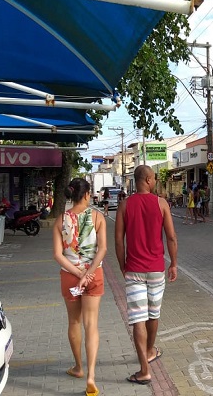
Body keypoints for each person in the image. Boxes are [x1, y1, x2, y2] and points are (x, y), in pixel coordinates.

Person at [115, 165, 178, 386]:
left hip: (134, 270)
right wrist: (174, 264)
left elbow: (118, 240)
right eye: (154, 179)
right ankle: (150, 350)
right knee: (153, 314)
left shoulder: (124, 205)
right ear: (149, 179)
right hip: (156, 269)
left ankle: (144, 369)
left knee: (137, 319)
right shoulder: (161, 204)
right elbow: (171, 237)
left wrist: (123, 265)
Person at [52, 178, 107, 396]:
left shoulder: (60, 220)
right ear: (87, 195)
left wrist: (77, 274)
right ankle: (92, 376)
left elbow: (57, 254)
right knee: (91, 324)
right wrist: (89, 273)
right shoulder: (97, 217)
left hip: (70, 276)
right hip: (94, 276)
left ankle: (78, 367)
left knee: (74, 321)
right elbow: (102, 249)